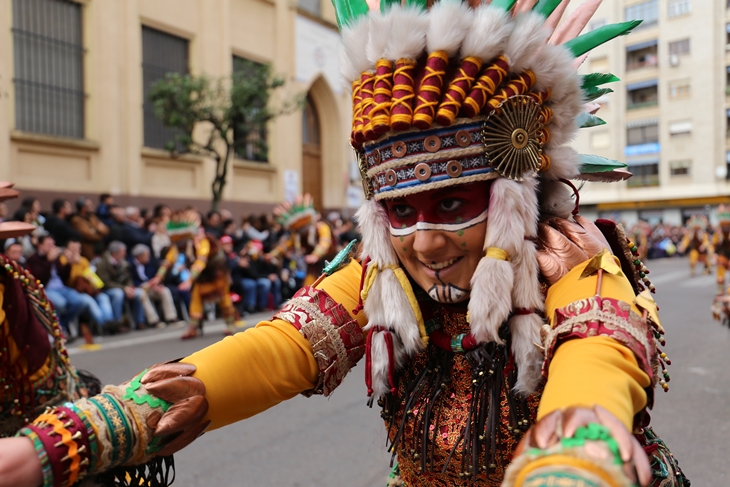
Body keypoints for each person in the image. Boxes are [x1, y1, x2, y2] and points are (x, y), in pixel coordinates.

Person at [0, 4, 689, 487]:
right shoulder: (382, 272)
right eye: (399, 209)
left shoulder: (569, 257)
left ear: (513, 186)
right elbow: (281, 346)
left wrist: (574, 462)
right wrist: (49, 448)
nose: (424, 240)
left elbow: (597, 366)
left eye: (452, 204)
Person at [151, 213, 236, 338]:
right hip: (200, 277)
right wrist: (158, 277)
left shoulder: (203, 241)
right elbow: (168, 261)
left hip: (215, 273)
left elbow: (201, 261)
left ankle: (230, 324)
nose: (179, 244)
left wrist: (189, 280)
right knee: (195, 299)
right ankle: (193, 328)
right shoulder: (180, 246)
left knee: (223, 299)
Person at [25, 235, 89, 336]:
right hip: (47, 289)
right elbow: (40, 279)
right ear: (40, 246)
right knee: (60, 304)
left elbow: (64, 277)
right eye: (48, 245)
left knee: (81, 301)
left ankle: (61, 325)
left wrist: (68, 264)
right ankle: (59, 329)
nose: (52, 247)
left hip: (61, 288)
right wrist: (48, 262)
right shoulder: (34, 259)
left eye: (53, 244)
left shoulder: (56, 257)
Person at [269, 194, 335, 286]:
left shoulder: (321, 227)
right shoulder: (297, 234)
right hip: (313, 266)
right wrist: (272, 254)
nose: (301, 232)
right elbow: (286, 245)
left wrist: (316, 255)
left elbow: (325, 242)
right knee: (310, 287)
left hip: (332, 262)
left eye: (303, 228)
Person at [58, 239, 121, 334]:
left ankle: (109, 320)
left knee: (103, 297)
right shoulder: (63, 260)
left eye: (78, 249)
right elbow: (69, 281)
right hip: (74, 290)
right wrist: (72, 264)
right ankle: (103, 323)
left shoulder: (83, 260)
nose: (76, 251)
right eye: (73, 249)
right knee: (88, 301)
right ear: (67, 249)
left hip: (87, 289)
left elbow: (91, 276)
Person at [96, 240, 150, 330]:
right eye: (123, 252)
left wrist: (130, 287)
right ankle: (117, 323)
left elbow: (128, 277)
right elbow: (106, 282)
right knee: (118, 294)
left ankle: (140, 321)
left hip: (123, 288)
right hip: (109, 289)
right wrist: (124, 288)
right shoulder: (103, 264)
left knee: (139, 293)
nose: (125, 254)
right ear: (115, 253)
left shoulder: (122, 262)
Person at [129, 243, 183, 327]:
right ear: (139, 256)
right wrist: (144, 285)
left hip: (152, 287)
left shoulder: (151, 262)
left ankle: (171, 317)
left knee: (164, 290)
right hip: (139, 288)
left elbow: (157, 275)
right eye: (146, 255)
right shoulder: (129, 265)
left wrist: (158, 284)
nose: (149, 256)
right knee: (141, 294)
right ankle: (154, 321)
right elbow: (130, 280)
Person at [712, 205, 730, 294]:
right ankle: (720, 288)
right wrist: (713, 254)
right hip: (722, 254)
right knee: (720, 268)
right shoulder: (718, 233)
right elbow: (713, 245)